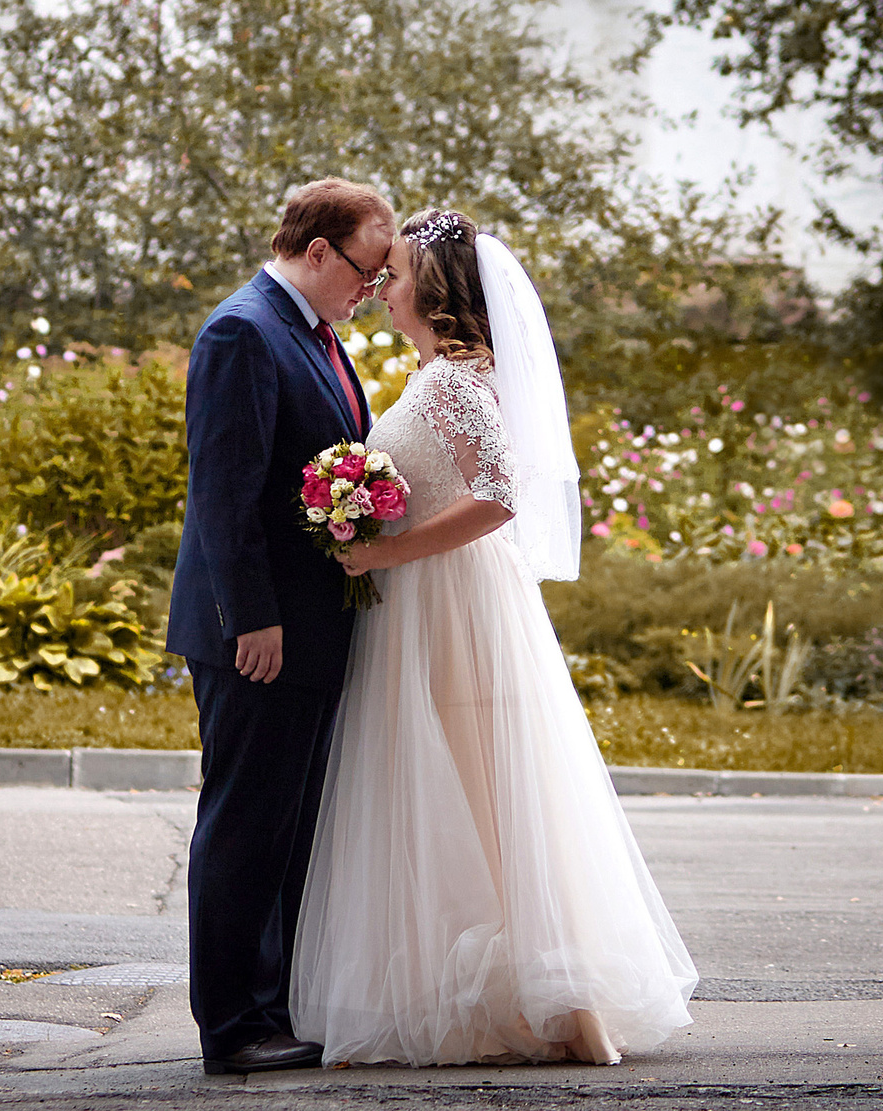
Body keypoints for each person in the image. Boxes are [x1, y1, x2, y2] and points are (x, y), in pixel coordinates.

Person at [289, 207, 698, 1065]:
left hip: (452, 609)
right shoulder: (443, 374)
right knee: (464, 794)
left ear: (430, 292)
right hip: (434, 603)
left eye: (393, 274)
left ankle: (560, 1000)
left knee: (481, 794)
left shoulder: (448, 383)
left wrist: (387, 547)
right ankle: (501, 982)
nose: (382, 287)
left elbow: (501, 494)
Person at [167, 177, 396, 1076]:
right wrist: (251, 619)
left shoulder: (313, 334)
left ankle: (273, 1006)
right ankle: (230, 1025)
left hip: (308, 629)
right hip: (256, 635)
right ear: (316, 252)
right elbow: (222, 494)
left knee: (290, 826)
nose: (373, 289)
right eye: (368, 271)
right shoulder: (242, 330)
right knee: (245, 823)